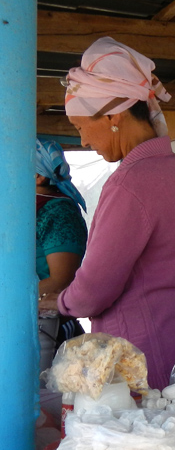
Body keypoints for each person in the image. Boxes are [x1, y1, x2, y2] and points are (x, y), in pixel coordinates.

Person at [39, 37, 175, 389]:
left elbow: (94, 289)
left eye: (80, 128)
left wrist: (57, 302)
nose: (83, 142)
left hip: (147, 358)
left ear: (112, 115)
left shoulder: (130, 182)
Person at [35, 138, 88, 370]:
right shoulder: (22, 208)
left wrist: (9, 300)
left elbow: (61, 279)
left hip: (50, 331)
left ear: (38, 177)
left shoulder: (58, 213)